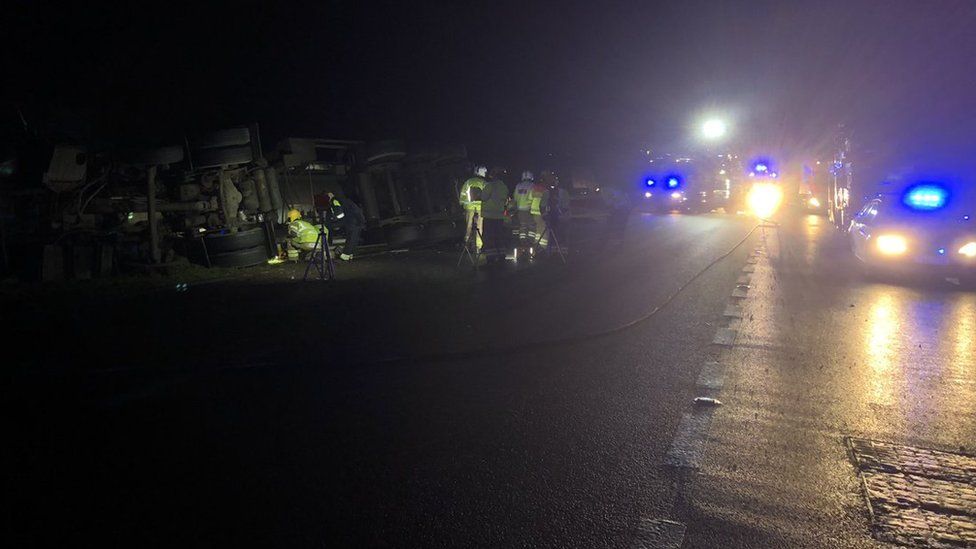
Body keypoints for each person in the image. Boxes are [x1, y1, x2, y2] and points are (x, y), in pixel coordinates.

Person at [480, 167, 510, 263]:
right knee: (499, 236)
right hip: (499, 216)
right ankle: (501, 255)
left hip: (489, 216)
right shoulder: (504, 186)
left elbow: (483, 197)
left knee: (489, 237)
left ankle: (491, 257)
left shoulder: (490, 186)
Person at [326, 192, 366, 261]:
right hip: (358, 219)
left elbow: (339, 213)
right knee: (354, 238)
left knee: (351, 237)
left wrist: (333, 219)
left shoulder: (334, 201)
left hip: (351, 220)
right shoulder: (343, 199)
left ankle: (345, 255)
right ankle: (350, 254)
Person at [459, 166, 487, 251]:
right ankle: (478, 246)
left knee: (469, 226)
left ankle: (467, 244)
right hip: (480, 208)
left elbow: (463, 195)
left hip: (469, 208)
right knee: (479, 226)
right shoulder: (484, 183)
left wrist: (463, 205)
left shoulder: (468, 182)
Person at [512, 170, 536, 247]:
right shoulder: (533, 186)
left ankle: (522, 242)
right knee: (531, 227)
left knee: (522, 226)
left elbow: (515, 198)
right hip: (530, 210)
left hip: (520, 210)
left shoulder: (518, 186)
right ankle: (530, 242)